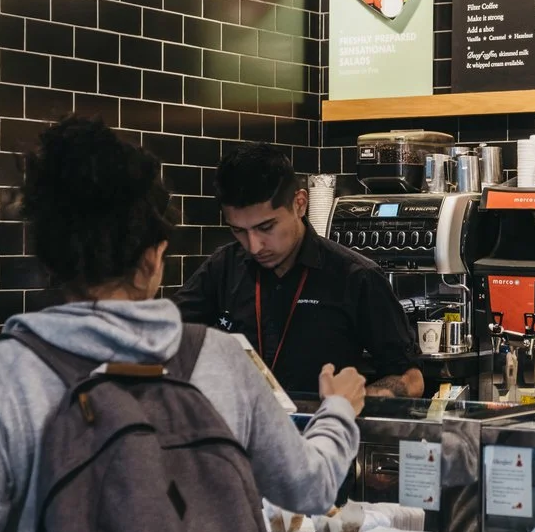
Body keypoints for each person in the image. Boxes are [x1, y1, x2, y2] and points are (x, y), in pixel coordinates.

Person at [0, 117, 365, 532]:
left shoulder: (4, 374)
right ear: (154, 255)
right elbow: (310, 487)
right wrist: (338, 411)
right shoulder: (221, 359)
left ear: (48, 258)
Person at [174, 142, 424, 398]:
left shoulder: (356, 276)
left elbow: (411, 378)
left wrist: (359, 399)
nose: (254, 246)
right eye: (238, 230)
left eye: (266, 227)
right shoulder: (223, 266)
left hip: (323, 430)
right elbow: (167, 335)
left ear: (300, 203)